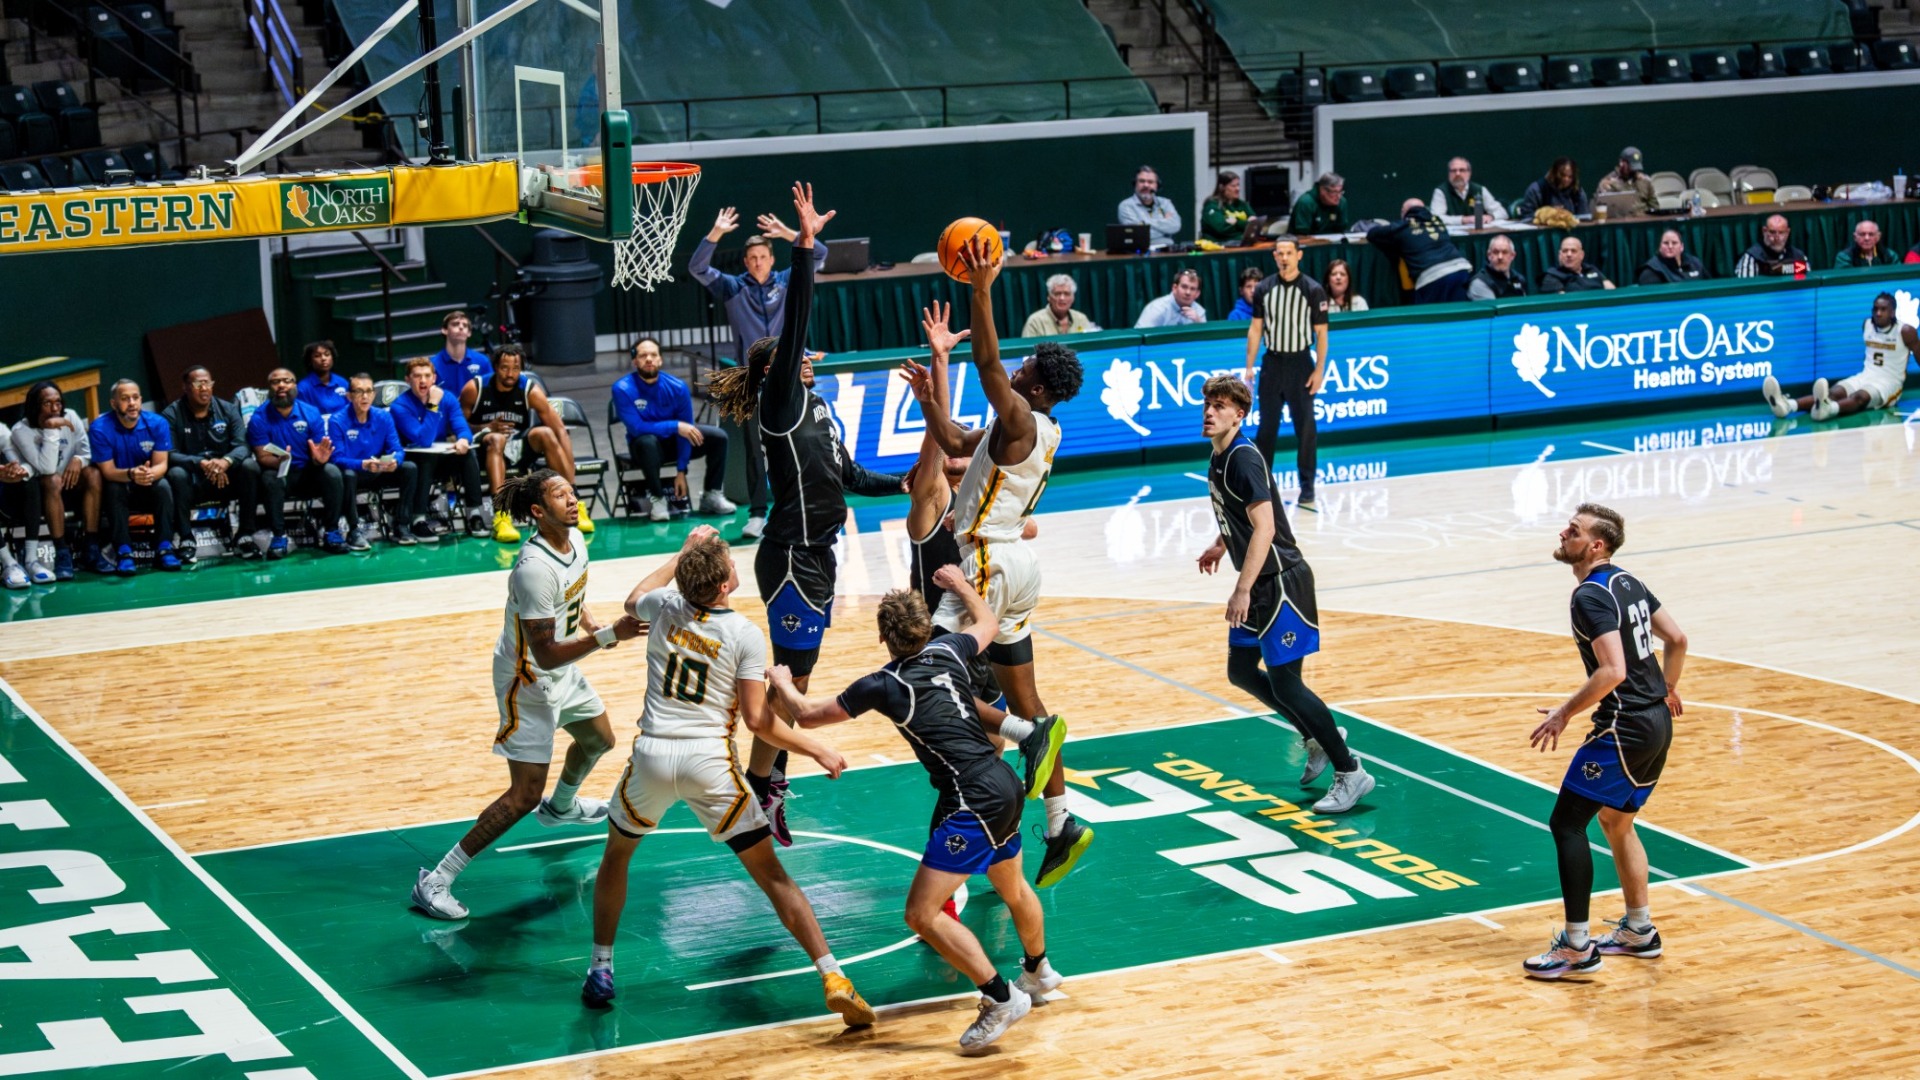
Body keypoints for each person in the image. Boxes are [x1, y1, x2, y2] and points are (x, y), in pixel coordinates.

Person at [584, 527, 877, 1031]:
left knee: (617, 856)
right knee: (773, 877)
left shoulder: (666, 607)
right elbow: (760, 723)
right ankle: (833, 976)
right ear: (723, 587)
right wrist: (819, 747)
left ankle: (601, 968)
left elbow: (633, 600)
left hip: (652, 758)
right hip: (709, 765)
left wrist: (683, 552)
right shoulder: (743, 634)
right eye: (729, 564)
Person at [767, 573, 1061, 1053]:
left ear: (883, 637)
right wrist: (962, 585)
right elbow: (987, 619)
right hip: (1001, 780)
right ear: (928, 629)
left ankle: (1000, 997)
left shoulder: (883, 684)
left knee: (921, 914)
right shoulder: (952, 650)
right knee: (1012, 886)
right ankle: (1038, 970)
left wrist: (781, 682)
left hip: (972, 798)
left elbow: (806, 714)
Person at [704, 183, 905, 846]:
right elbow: (791, 329)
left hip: (821, 552)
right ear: (784, 369)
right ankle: (765, 791)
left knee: (794, 679)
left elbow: (848, 477)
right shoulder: (781, 402)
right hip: (791, 555)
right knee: (791, 683)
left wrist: (908, 479)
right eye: (801, 355)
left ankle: (762, 789)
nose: (810, 355)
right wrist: (807, 248)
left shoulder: (819, 411)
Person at [903, 278, 1088, 887]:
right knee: (1030, 699)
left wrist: (981, 289)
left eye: (1025, 364)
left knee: (928, 676)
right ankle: (1059, 824)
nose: (1015, 364)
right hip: (1016, 566)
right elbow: (955, 440)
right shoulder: (1030, 427)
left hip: (985, 562)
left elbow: (986, 360)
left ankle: (1017, 736)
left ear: (1033, 386)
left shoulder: (1021, 417)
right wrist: (930, 396)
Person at [412, 469, 644, 922]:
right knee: (522, 795)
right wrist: (607, 637)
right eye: (561, 496)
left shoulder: (575, 541)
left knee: (599, 740)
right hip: (529, 679)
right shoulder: (532, 570)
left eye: (572, 492)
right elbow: (546, 652)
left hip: (561, 665)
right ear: (538, 512)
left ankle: (560, 809)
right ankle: (436, 879)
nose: (573, 501)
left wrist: (592, 625)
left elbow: (571, 599)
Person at [1522, 503, 1686, 979]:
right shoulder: (1626, 581)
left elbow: (1613, 670)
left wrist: (1563, 714)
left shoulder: (1590, 595)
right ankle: (1639, 931)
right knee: (1616, 821)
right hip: (1655, 720)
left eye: (1573, 531)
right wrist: (1669, 689)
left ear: (1596, 545)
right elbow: (1677, 638)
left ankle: (1577, 947)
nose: (1563, 533)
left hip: (1624, 725)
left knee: (1567, 825)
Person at [1198, 375, 1372, 812]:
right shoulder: (1218, 456)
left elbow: (1267, 527)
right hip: (1259, 582)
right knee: (1241, 670)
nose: (1209, 412)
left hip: (1280, 582)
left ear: (1240, 414)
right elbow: (1237, 513)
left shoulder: (1242, 458)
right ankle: (1315, 736)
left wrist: (1241, 589)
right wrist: (1221, 544)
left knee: (1286, 684)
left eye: (1219, 406)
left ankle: (1350, 771)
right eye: (1207, 404)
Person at [690, 206, 831, 541]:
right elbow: (696, 267)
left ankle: (800, 507)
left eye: (762, 256)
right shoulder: (732, 287)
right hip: (752, 380)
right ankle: (756, 514)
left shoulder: (786, 280)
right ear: (745, 262)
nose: (756, 262)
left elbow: (820, 254)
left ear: (771, 258)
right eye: (751, 258)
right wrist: (715, 233)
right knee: (756, 449)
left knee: (800, 440)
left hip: (792, 375)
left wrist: (787, 233)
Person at [461, 344, 585, 542]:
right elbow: (457, 427)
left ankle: (576, 503)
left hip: (518, 449)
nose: (510, 373)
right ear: (494, 367)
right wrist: (486, 427)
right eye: (504, 368)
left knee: (546, 432)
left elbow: (560, 430)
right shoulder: (474, 388)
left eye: (516, 368)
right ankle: (502, 515)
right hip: (485, 449)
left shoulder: (529, 390)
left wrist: (573, 483)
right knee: (496, 438)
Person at [1243, 235, 1330, 509]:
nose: (1284, 257)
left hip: (1301, 363)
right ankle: (1261, 488)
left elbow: (1322, 334)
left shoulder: (1313, 289)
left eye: (1289, 253)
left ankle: (1307, 488)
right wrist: (1249, 366)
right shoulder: (1264, 288)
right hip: (1272, 364)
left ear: (1298, 255)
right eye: (1279, 253)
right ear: (1274, 256)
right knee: (1266, 429)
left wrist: (1319, 370)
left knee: (1306, 429)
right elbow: (1256, 329)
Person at [612, 337, 737, 523]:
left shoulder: (677, 387)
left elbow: (687, 432)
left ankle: (712, 495)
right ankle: (658, 500)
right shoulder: (622, 388)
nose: (649, 359)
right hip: (643, 448)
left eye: (653, 355)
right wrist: (675, 426)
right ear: (634, 361)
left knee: (718, 437)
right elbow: (637, 428)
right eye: (643, 355)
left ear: (660, 360)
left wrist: (681, 471)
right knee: (647, 441)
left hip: (673, 444)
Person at [1763, 292, 1917, 420]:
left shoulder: (1906, 331)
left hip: (1889, 383)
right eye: (1875, 309)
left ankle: (1828, 410)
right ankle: (1787, 405)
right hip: (1866, 375)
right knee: (1833, 393)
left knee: (1860, 397)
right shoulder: (1867, 325)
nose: (1878, 313)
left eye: (1883, 309)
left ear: (1892, 312)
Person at [163, 365, 263, 561]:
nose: (204, 388)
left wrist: (226, 461)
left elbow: (242, 446)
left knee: (250, 466)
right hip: (193, 480)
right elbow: (169, 454)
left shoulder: (228, 409)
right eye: (198, 384)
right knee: (175, 473)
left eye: (207, 383)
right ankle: (186, 538)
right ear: (185, 387)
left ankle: (244, 535)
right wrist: (201, 463)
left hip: (225, 478)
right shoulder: (171, 414)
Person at [246, 367, 347, 559]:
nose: (281, 385)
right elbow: (261, 455)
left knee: (332, 472)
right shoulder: (259, 418)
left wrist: (319, 458)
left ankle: (331, 532)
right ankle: (279, 536)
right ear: (269, 388)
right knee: (270, 478)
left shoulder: (310, 412)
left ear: (295, 385)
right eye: (276, 382)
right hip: (280, 472)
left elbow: (317, 449)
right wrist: (280, 461)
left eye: (287, 380)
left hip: (307, 471)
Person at [88, 378, 182, 574]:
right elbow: (107, 471)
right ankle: (124, 552)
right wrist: (132, 474)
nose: (132, 403)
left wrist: (148, 474)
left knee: (163, 485)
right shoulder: (99, 428)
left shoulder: (157, 423)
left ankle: (165, 547)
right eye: (125, 399)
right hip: (121, 482)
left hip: (147, 481)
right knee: (113, 488)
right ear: (114, 403)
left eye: (135, 398)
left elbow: (161, 464)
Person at [391, 355, 489, 539]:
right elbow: (423, 440)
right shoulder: (400, 406)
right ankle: (418, 519)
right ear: (407, 380)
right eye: (417, 376)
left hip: (440, 459)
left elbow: (463, 428)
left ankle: (474, 514)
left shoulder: (448, 398)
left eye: (427, 375)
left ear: (434, 378)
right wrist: (433, 404)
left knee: (469, 454)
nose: (423, 381)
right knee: (426, 458)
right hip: (414, 461)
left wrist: (463, 440)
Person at [10, 382, 97, 579]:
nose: (55, 408)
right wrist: (50, 429)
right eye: (47, 403)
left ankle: (92, 546)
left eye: (58, 402)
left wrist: (78, 459)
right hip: (43, 493)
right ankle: (62, 551)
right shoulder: (21, 430)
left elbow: (87, 453)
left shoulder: (71, 416)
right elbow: (46, 468)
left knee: (93, 474)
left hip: (71, 483)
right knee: (52, 480)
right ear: (35, 406)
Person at [328, 372, 419, 549]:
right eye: (359, 391)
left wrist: (395, 462)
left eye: (369, 391)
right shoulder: (337, 421)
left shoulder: (383, 417)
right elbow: (336, 458)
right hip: (357, 471)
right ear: (349, 396)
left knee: (409, 468)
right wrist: (363, 464)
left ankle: (401, 525)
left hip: (379, 469)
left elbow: (397, 449)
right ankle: (353, 531)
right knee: (347, 475)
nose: (365, 396)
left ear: (374, 395)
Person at [1366, 199, 1473, 304]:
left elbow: (1372, 234)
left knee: (1430, 318)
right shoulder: (1438, 222)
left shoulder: (1402, 225)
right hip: (1461, 269)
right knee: (1458, 314)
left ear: (1404, 212)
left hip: (1433, 277)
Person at [429, 311, 492, 400]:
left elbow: (492, 395)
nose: (461, 327)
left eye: (465, 326)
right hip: (445, 414)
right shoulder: (432, 365)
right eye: (455, 324)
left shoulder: (482, 361)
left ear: (469, 333)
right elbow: (428, 406)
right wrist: (433, 407)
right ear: (445, 330)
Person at [1117, 164, 1182, 249]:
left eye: (1150, 182)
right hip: (1140, 252)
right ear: (1135, 184)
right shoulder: (1126, 206)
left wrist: (1145, 223)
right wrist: (1164, 224)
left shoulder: (1165, 203)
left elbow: (1175, 226)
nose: (1146, 185)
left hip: (1167, 249)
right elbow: (1137, 235)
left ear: (1157, 185)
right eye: (1142, 181)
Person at [1430, 157, 1507, 226]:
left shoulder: (1479, 190)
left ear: (1469, 173)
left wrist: (1491, 217)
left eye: (1462, 170)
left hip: (1479, 237)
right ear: (1449, 174)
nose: (1457, 174)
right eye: (1453, 171)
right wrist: (1463, 220)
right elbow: (1435, 218)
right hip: (1453, 238)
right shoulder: (1441, 191)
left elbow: (1502, 212)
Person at [1734, 214, 1809, 278]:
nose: (1777, 237)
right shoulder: (1752, 257)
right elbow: (1747, 289)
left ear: (1787, 233)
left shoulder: (1798, 256)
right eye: (1772, 232)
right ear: (1764, 231)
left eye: (1781, 232)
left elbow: (1808, 282)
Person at [1021, 274, 1096, 337]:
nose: (1062, 298)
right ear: (1049, 297)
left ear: (1073, 298)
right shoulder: (1035, 321)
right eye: (1057, 294)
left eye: (1067, 294)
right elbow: (1027, 352)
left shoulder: (1081, 319)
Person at [1515, 157, 1590, 220]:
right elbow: (1526, 216)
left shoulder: (1577, 191)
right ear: (1554, 173)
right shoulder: (1537, 189)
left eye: (1570, 177)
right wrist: (1548, 214)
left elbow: (1584, 217)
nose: (1566, 179)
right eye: (1563, 175)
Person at [295, 340, 351, 418]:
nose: (323, 358)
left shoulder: (342, 382)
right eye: (317, 356)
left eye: (327, 354)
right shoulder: (303, 388)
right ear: (310, 361)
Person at [1539, 236, 1614, 293]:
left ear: (1582, 255)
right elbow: (1563, 303)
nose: (1569, 254)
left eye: (1573, 251)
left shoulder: (1591, 269)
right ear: (1560, 255)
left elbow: (1612, 291)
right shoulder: (1552, 276)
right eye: (1565, 251)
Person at [1135, 269, 1207, 327]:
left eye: (1192, 289)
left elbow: (1206, 341)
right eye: (1184, 287)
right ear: (1174, 288)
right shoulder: (1157, 309)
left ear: (1197, 294)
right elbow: (1140, 340)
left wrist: (1199, 323)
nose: (1188, 292)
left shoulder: (1199, 311)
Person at [1594, 147, 1656, 212]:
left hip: (1644, 217)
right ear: (1621, 163)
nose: (1633, 170)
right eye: (1630, 166)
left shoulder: (1645, 181)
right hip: (1620, 218)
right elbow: (1600, 207)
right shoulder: (1608, 182)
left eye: (1636, 167)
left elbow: (1654, 206)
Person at [1635, 230, 1707, 285]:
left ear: (1681, 247)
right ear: (1660, 247)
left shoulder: (1695, 263)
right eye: (1666, 243)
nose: (1670, 246)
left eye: (1674, 243)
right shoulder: (1650, 271)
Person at [1199, 170, 1251, 244]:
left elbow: (1254, 225)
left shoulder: (1242, 204)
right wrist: (1244, 226)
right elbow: (1221, 229)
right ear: (1222, 187)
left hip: (1241, 243)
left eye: (1238, 185)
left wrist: (1236, 222)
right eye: (1233, 186)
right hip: (1219, 246)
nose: (1238, 189)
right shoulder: (1212, 205)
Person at [1468, 235, 1527, 300]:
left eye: (1505, 252)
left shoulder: (1518, 279)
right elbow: (1493, 309)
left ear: (1512, 256)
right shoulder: (1479, 283)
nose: (1500, 257)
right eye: (1496, 252)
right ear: (1489, 255)